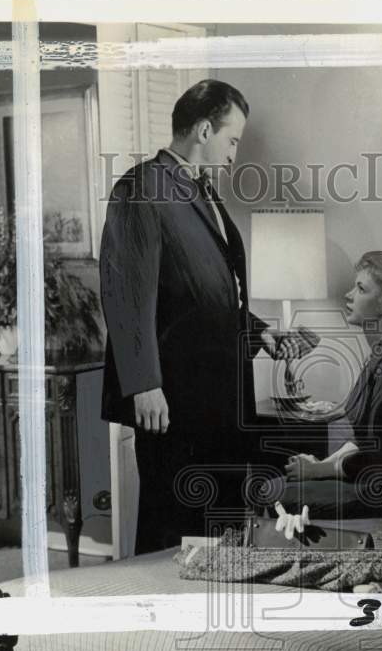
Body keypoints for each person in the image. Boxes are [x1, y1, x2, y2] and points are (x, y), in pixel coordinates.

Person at [99, 79, 303, 554]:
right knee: (174, 525)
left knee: (220, 525)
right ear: (205, 130)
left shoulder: (200, 190)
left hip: (218, 396)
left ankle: (216, 625)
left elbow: (205, 294)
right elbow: (125, 293)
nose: (235, 153)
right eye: (233, 140)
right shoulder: (140, 188)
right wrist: (144, 383)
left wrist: (260, 331)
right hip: (174, 399)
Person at [265, 251, 382, 536]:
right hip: (377, 479)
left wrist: (320, 471)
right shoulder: (381, 355)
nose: (348, 294)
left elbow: (380, 459)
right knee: (275, 487)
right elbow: (362, 439)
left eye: (361, 288)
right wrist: (321, 464)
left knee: (272, 492)